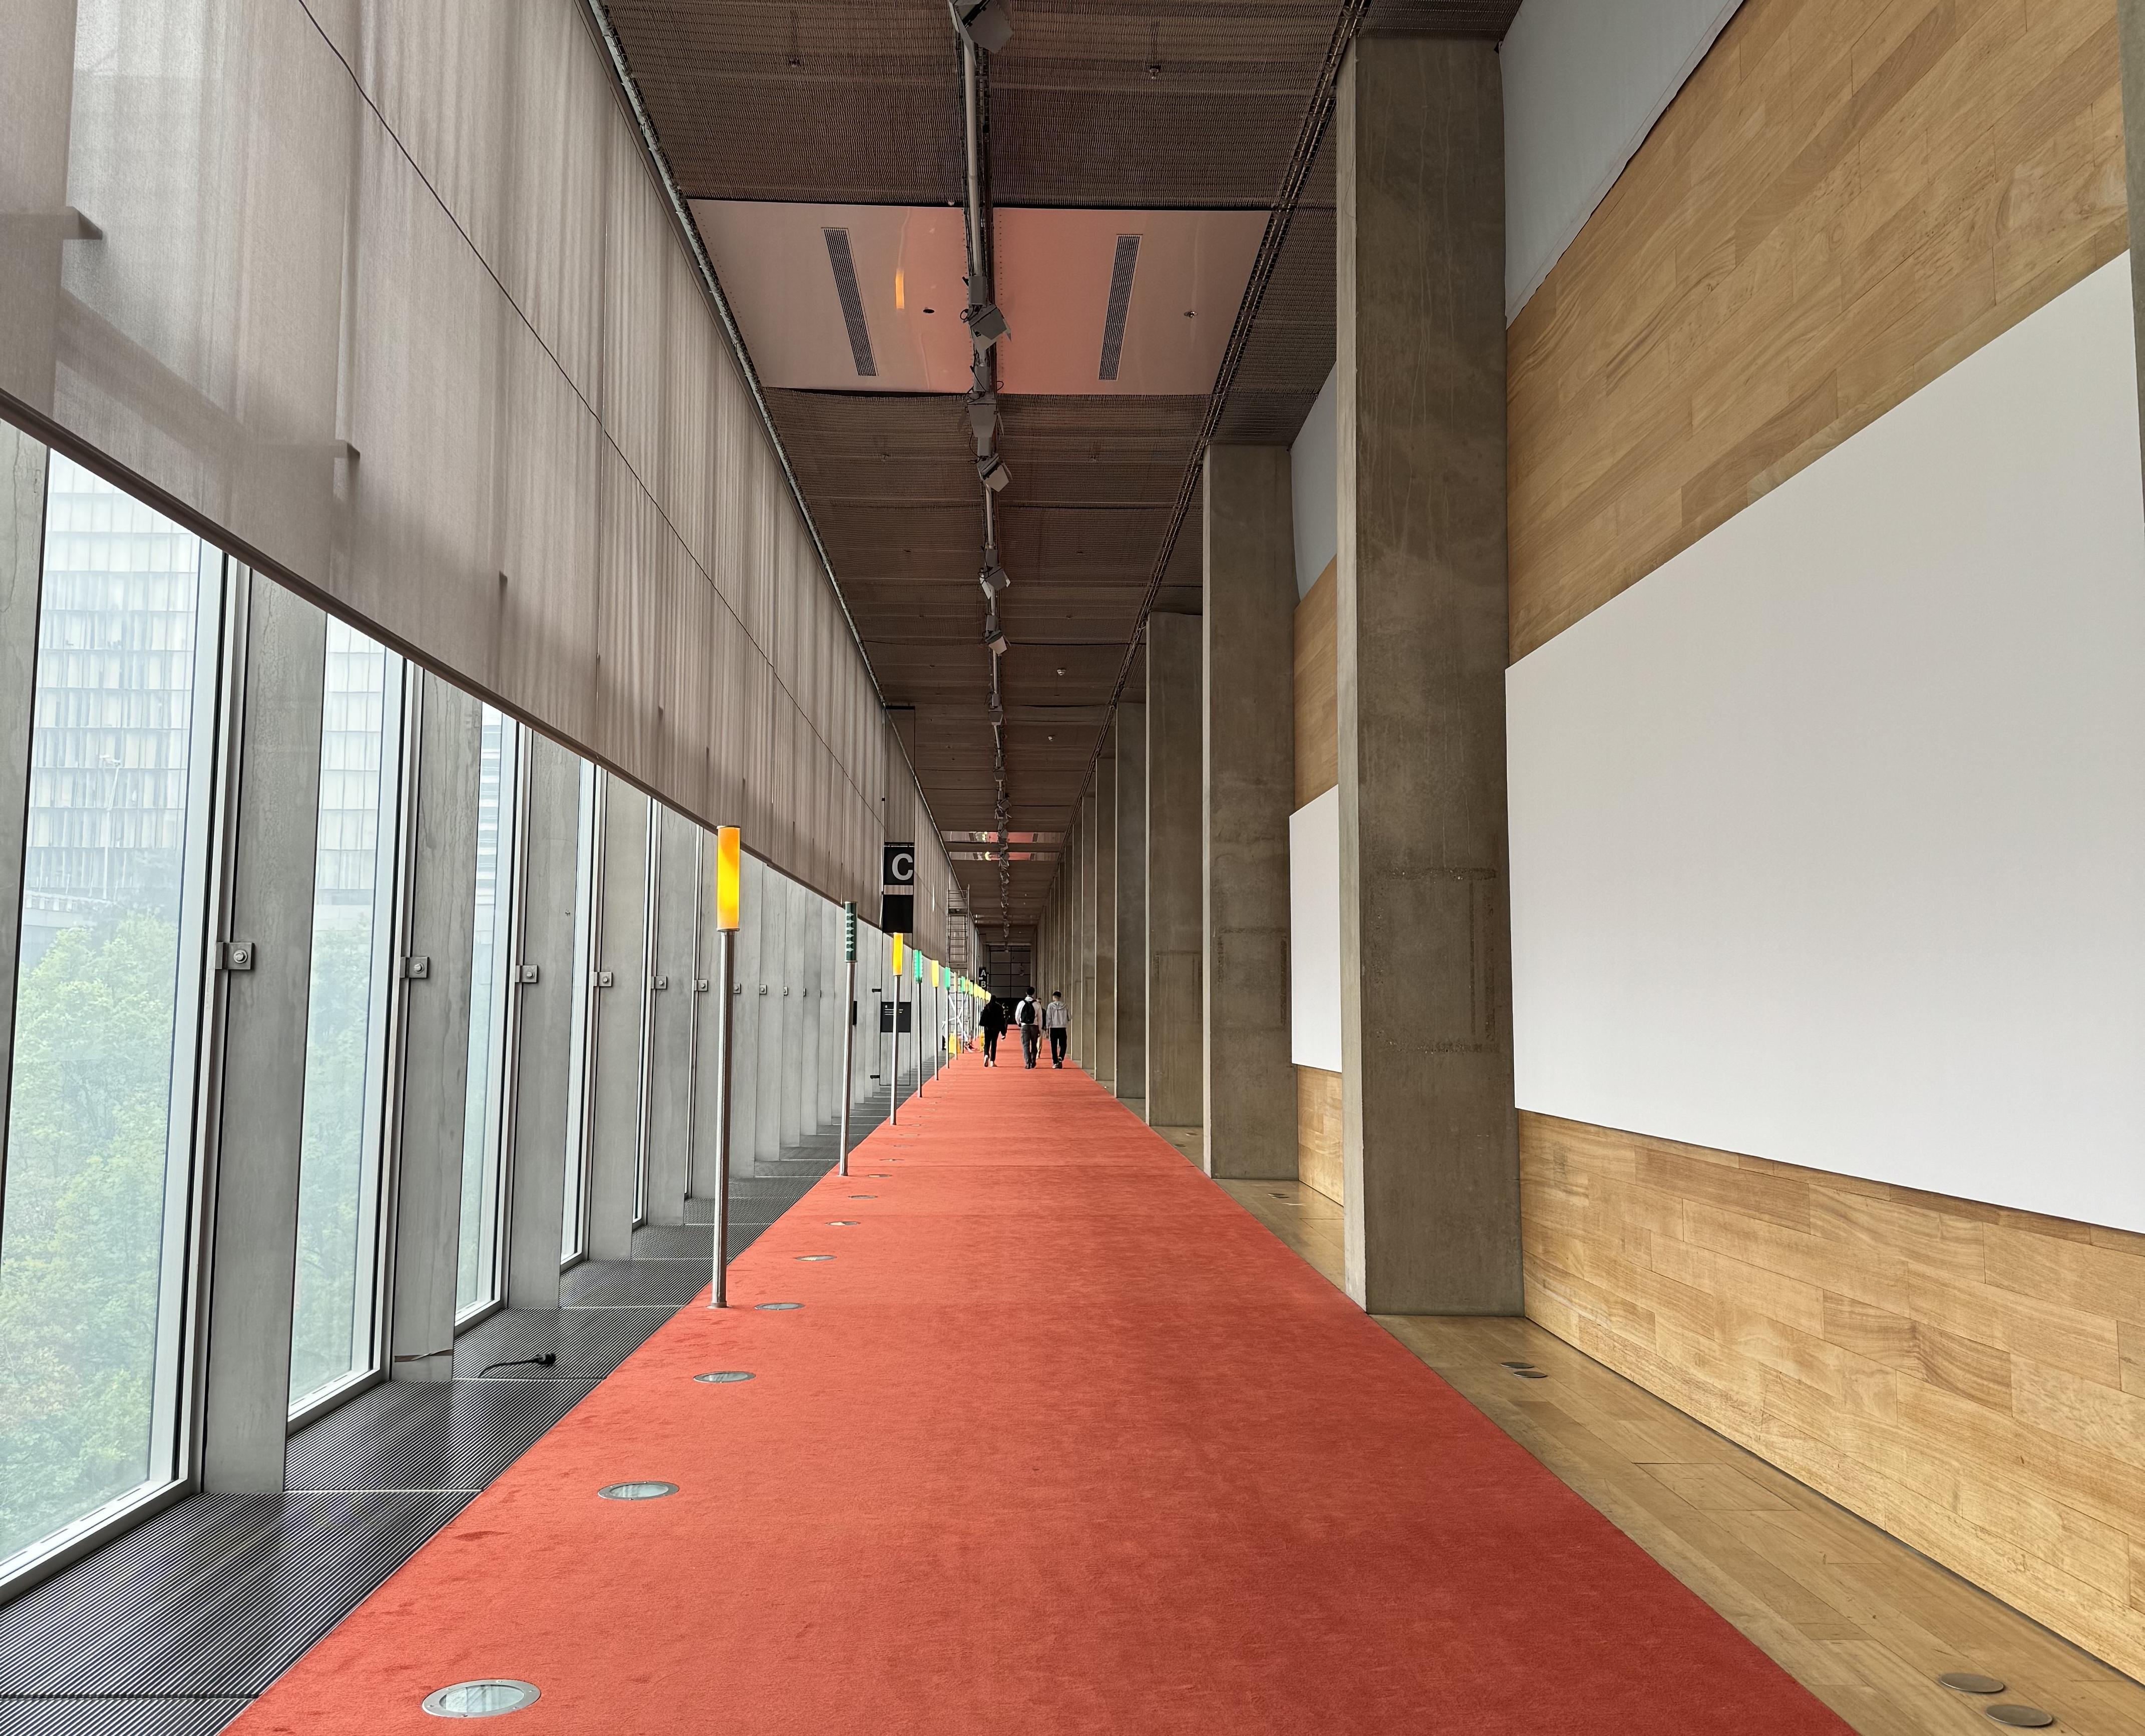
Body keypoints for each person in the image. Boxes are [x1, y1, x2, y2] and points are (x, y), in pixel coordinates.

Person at [979, 995, 1008, 1067]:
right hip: (996, 1029)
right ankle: (992, 1061)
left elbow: (983, 1017)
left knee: (987, 1043)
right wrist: (1003, 1032)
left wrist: (983, 1024)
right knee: (994, 1044)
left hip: (987, 1028)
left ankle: (986, 1055)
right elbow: (1002, 1021)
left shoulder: (987, 1006)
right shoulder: (999, 1008)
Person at [1043, 989, 1069, 1067]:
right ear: (1060, 997)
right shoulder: (1065, 1006)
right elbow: (1070, 1017)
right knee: (1064, 1044)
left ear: (1054, 997)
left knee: (1054, 1045)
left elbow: (1048, 1018)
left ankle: (1055, 1061)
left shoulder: (1051, 1006)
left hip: (1053, 1028)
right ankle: (1061, 1057)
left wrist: (1047, 1027)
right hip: (1062, 1028)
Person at [1015, 990, 1040, 1068]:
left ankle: (1028, 1062)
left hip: (1025, 1026)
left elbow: (1017, 1015)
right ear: (1033, 994)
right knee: (1034, 1044)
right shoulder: (1037, 1004)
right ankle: (1033, 1060)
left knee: (1026, 1045)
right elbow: (1040, 1018)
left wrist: (1019, 1023)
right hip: (1035, 1026)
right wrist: (1040, 1029)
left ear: (1026, 993)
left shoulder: (1021, 1003)